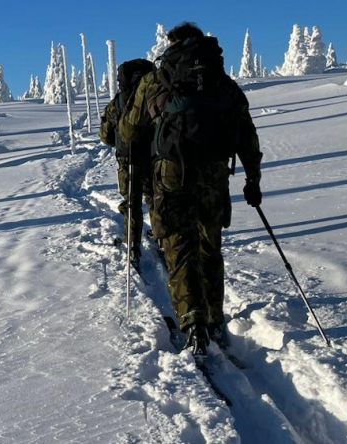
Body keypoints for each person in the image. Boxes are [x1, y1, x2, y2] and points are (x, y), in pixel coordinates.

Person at [118, 22, 264, 354]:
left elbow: (128, 132)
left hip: (170, 175)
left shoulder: (156, 80)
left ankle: (192, 322)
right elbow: (246, 132)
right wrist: (252, 178)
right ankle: (214, 320)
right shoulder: (222, 83)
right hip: (214, 176)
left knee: (178, 247)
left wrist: (134, 166)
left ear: (172, 43)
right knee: (209, 247)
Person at [99, 59, 158, 270]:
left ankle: (131, 243)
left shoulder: (119, 101)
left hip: (128, 158)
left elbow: (105, 135)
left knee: (131, 201)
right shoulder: (156, 98)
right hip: (154, 156)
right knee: (153, 197)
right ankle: (160, 236)